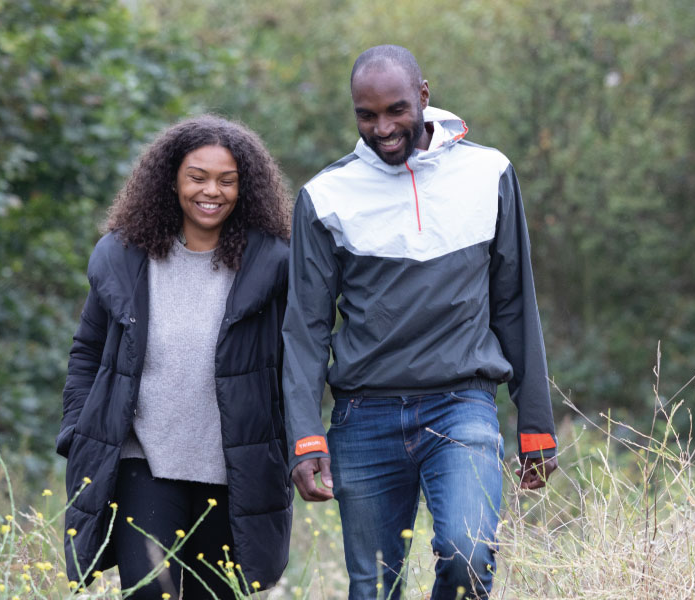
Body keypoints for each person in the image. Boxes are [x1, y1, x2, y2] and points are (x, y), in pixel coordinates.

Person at [283, 45, 559, 599]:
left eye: (396, 110)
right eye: (367, 115)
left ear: (425, 97)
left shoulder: (490, 172)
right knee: (374, 589)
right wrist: (305, 436)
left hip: (462, 405)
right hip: (363, 418)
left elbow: (513, 304)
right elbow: (306, 328)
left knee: (468, 555)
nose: (382, 128)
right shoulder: (326, 195)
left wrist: (536, 422)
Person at [57, 115, 293, 598]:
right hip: (142, 461)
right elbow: (87, 352)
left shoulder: (275, 263)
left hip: (234, 471)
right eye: (197, 177)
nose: (213, 191)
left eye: (228, 180)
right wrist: (79, 431)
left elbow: (298, 363)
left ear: (245, 188)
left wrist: (295, 445)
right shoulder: (122, 257)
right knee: (149, 591)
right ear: (172, 180)